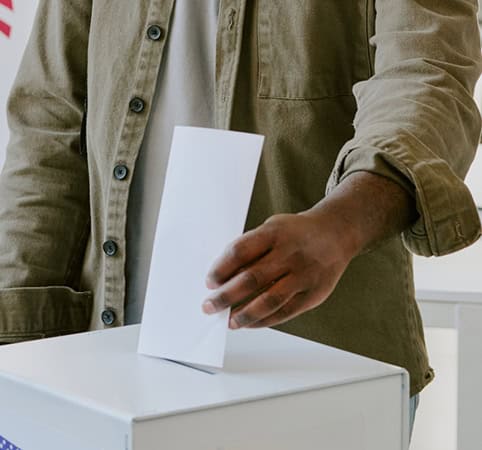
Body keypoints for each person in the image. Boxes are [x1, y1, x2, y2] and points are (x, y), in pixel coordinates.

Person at [0, 0, 480, 440]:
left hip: (323, 383)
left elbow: (428, 72)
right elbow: (48, 127)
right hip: (108, 370)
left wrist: (343, 221)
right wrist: (15, 347)